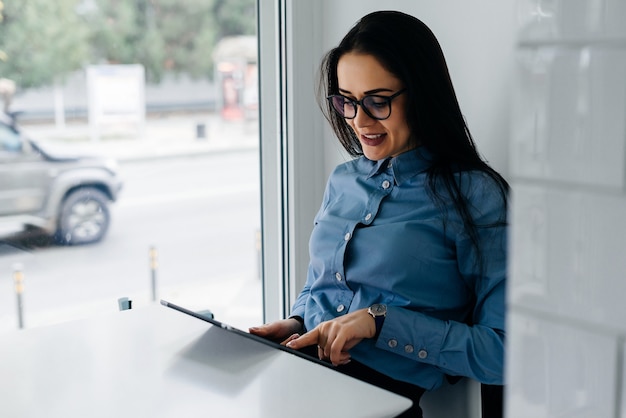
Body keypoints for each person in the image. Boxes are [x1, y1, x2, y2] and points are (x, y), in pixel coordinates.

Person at [250, 10, 508, 417]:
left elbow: (502, 353)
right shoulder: (342, 181)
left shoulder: (475, 195)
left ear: (421, 92)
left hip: (376, 404)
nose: (359, 121)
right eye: (346, 102)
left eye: (377, 101)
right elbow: (321, 287)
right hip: (297, 384)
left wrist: (381, 322)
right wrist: (298, 321)